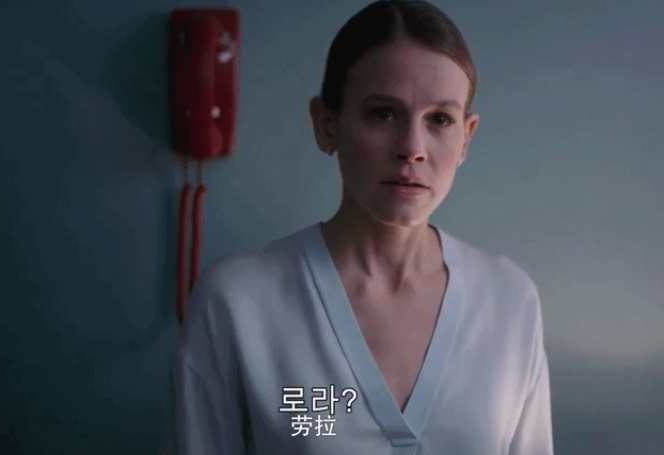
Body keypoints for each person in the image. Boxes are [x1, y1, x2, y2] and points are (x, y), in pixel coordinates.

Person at [163, 1, 554, 453]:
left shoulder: (509, 302)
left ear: (466, 137)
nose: (412, 148)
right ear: (326, 125)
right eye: (382, 114)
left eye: (439, 119)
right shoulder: (238, 302)